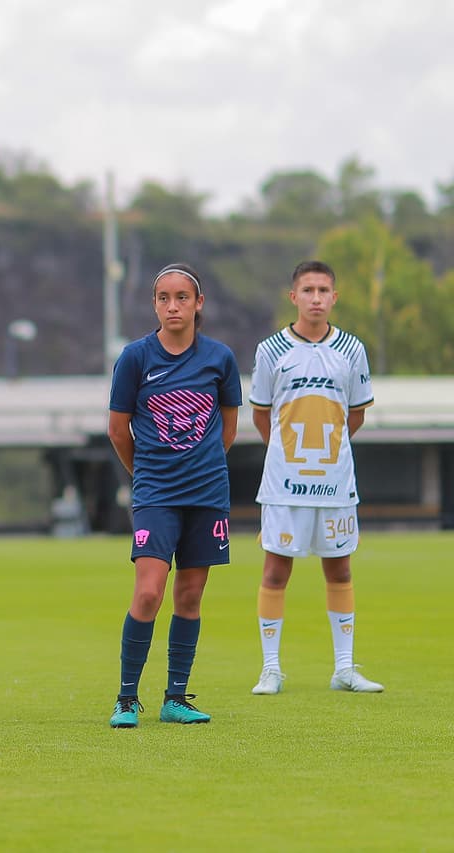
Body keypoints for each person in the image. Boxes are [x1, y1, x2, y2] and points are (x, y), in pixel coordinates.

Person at [106, 263, 242, 728]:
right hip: (155, 494)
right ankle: (127, 699)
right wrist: (147, 474)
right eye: (163, 298)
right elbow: (117, 430)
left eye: (182, 297)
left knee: (190, 595)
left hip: (207, 494)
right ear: (154, 305)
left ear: (198, 303)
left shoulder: (220, 358)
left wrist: (201, 466)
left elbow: (227, 426)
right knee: (148, 593)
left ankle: (176, 698)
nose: (173, 306)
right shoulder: (135, 357)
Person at [249, 260, 383, 695]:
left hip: (335, 482)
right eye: (308, 290)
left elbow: (356, 413)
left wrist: (329, 454)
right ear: (294, 297)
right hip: (284, 484)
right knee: (275, 572)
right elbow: (261, 414)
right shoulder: (270, 350)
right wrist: (287, 455)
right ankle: (270, 669)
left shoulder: (352, 349)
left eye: (324, 290)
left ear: (334, 297)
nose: (316, 298)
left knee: (340, 570)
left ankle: (344, 668)